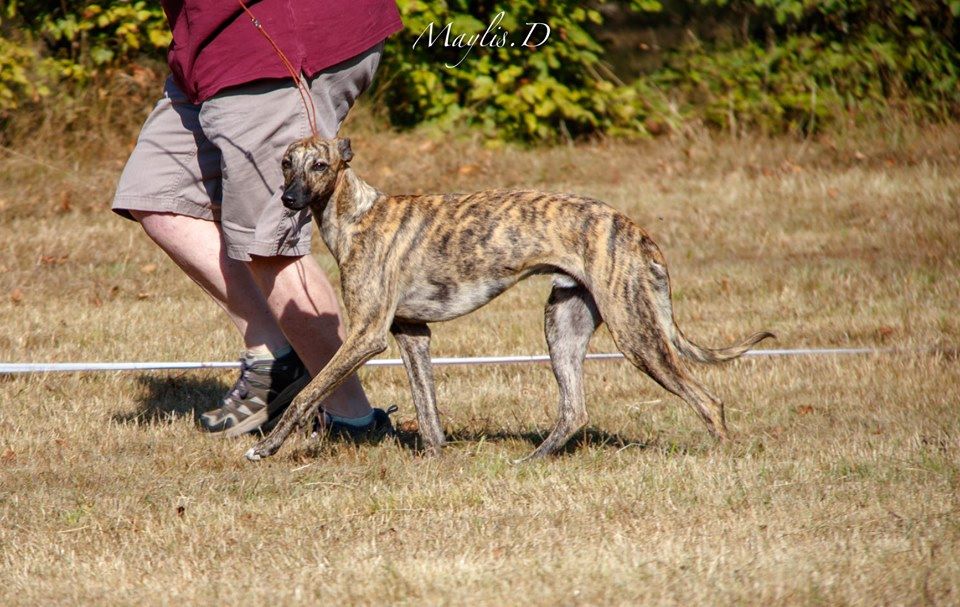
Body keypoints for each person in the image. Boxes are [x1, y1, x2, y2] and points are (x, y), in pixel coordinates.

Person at [112, 0, 403, 438]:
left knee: (269, 241)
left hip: (276, 47)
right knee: (156, 193)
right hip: (207, 52)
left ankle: (353, 420)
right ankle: (281, 360)